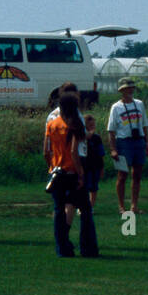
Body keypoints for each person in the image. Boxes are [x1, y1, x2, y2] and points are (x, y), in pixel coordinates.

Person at [44, 93, 97, 257]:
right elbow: (74, 151)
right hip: (72, 172)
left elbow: (46, 150)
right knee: (85, 210)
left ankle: (62, 248)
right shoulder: (74, 124)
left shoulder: (52, 124)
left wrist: (52, 167)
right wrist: (81, 173)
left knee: (59, 210)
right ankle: (88, 248)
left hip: (57, 172)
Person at [107, 77, 148, 214]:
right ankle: (121, 206)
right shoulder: (116, 107)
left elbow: (144, 125)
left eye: (131, 88)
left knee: (137, 174)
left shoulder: (139, 104)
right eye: (127, 88)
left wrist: (146, 143)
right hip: (123, 142)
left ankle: (134, 206)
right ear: (122, 91)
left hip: (139, 141)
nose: (130, 90)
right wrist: (113, 149)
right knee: (122, 175)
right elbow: (111, 130)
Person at [82, 113, 105, 208]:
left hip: (95, 166)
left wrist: (102, 168)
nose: (93, 127)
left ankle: (91, 206)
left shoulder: (97, 138)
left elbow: (101, 153)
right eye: (90, 125)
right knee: (84, 187)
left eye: (93, 125)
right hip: (85, 166)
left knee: (94, 187)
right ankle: (83, 206)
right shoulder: (81, 137)